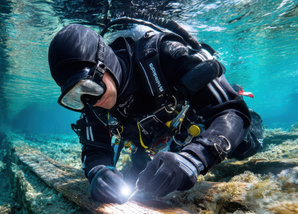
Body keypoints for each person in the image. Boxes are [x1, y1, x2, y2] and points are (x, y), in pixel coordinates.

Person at [48, 18, 263, 203]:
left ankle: (250, 120)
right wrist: (98, 172)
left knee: (244, 146)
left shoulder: (165, 55)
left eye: (88, 86)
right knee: (139, 172)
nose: (90, 101)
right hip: (153, 143)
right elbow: (94, 150)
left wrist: (194, 158)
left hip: (197, 124)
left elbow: (231, 111)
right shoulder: (93, 102)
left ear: (104, 63)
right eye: (76, 96)